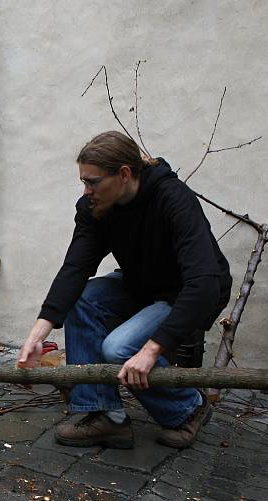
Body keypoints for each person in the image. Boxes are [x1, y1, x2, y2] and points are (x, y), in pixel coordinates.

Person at [17, 131, 232, 450]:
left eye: (92, 182)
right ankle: (107, 416)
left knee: (119, 349)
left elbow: (203, 281)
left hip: (188, 292)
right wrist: (38, 333)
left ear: (125, 174)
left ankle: (189, 408)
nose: (86, 190)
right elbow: (75, 269)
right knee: (82, 299)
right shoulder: (96, 207)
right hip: (140, 284)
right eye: (83, 182)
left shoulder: (173, 199)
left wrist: (151, 350)